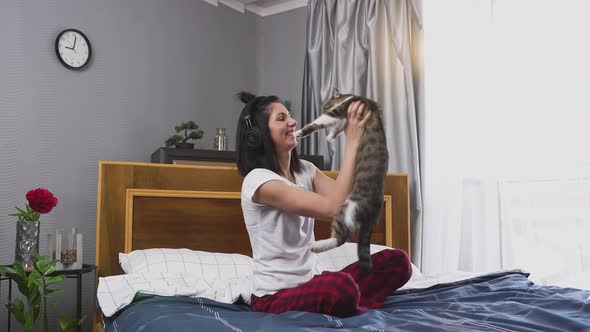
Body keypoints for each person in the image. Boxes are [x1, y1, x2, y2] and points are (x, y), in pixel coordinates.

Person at [236, 91, 412, 317]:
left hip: (313, 283)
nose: (293, 122)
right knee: (340, 287)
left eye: (289, 115)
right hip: (274, 296)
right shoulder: (259, 181)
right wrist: (352, 142)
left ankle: (350, 303)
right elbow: (332, 209)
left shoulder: (306, 170)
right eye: (281, 119)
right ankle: (350, 301)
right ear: (258, 136)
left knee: (399, 261)